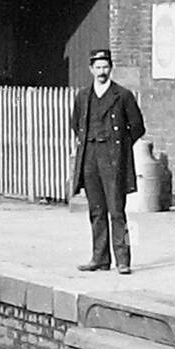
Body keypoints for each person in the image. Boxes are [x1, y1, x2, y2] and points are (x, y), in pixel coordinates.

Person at [70, 48, 146, 275]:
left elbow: (138, 127)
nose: (102, 72)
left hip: (113, 159)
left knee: (117, 211)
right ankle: (99, 258)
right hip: (90, 157)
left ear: (110, 68)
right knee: (96, 210)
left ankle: (123, 260)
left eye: (106, 67)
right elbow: (76, 124)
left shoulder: (122, 95)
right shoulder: (83, 96)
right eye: (98, 67)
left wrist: (119, 146)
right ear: (91, 69)